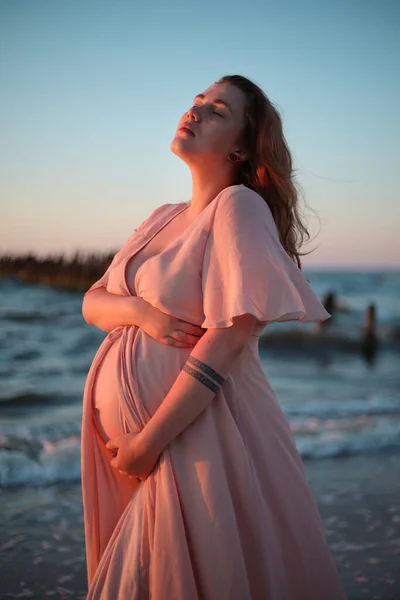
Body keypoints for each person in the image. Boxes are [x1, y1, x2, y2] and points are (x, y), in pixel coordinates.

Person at [81, 74, 347, 599]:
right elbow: (93, 303)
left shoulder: (240, 208)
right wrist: (141, 313)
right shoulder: (162, 218)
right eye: (197, 101)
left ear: (242, 150)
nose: (196, 111)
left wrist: (145, 444)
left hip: (199, 440)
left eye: (218, 111)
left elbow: (227, 340)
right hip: (159, 447)